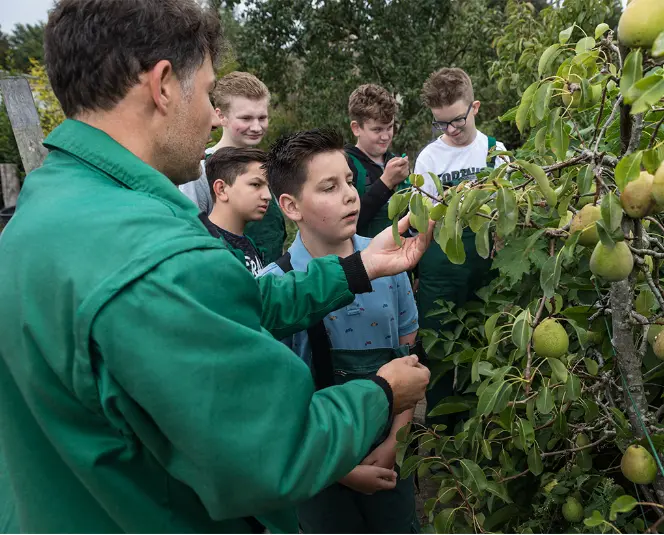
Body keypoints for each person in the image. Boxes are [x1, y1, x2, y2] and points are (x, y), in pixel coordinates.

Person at [0, 1, 434, 532]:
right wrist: (383, 393)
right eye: (209, 95)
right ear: (163, 85)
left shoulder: (45, 206)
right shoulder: (157, 258)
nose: (213, 118)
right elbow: (272, 452)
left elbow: (232, 302)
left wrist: (359, 266)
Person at [260, 129, 419, 534]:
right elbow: (276, 406)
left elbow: (409, 359)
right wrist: (341, 469)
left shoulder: (389, 261)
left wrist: (395, 442)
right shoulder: (275, 287)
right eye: (329, 187)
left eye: (349, 180)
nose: (350, 195)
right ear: (290, 206)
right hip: (317, 468)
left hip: (390, 454)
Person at [414, 67, 507, 427]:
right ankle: (440, 436)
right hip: (440, 271)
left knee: (479, 350)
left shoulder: (495, 151)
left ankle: (474, 432)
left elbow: (507, 211)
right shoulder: (429, 158)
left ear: (475, 108)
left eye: (457, 120)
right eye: (441, 123)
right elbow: (423, 220)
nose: (450, 130)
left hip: (484, 270)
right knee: (437, 355)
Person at [179, 71, 287, 264]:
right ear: (221, 116)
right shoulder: (201, 170)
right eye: (246, 118)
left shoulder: (268, 168)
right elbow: (190, 233)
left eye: (262, 117)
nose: (256, 127)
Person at [345, 84, 410, 238]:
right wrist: (385, 183)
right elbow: (347, 223)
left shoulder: (394, 161)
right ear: (356, 128)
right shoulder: (345, 164)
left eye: (390, 127)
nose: (386, 136)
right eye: (377, 130)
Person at [198, 147, 269, 276]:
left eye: (268, 187)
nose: (268, 196)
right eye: (256, 184)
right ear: (221, 189)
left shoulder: (248, 242)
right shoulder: (206, 247)